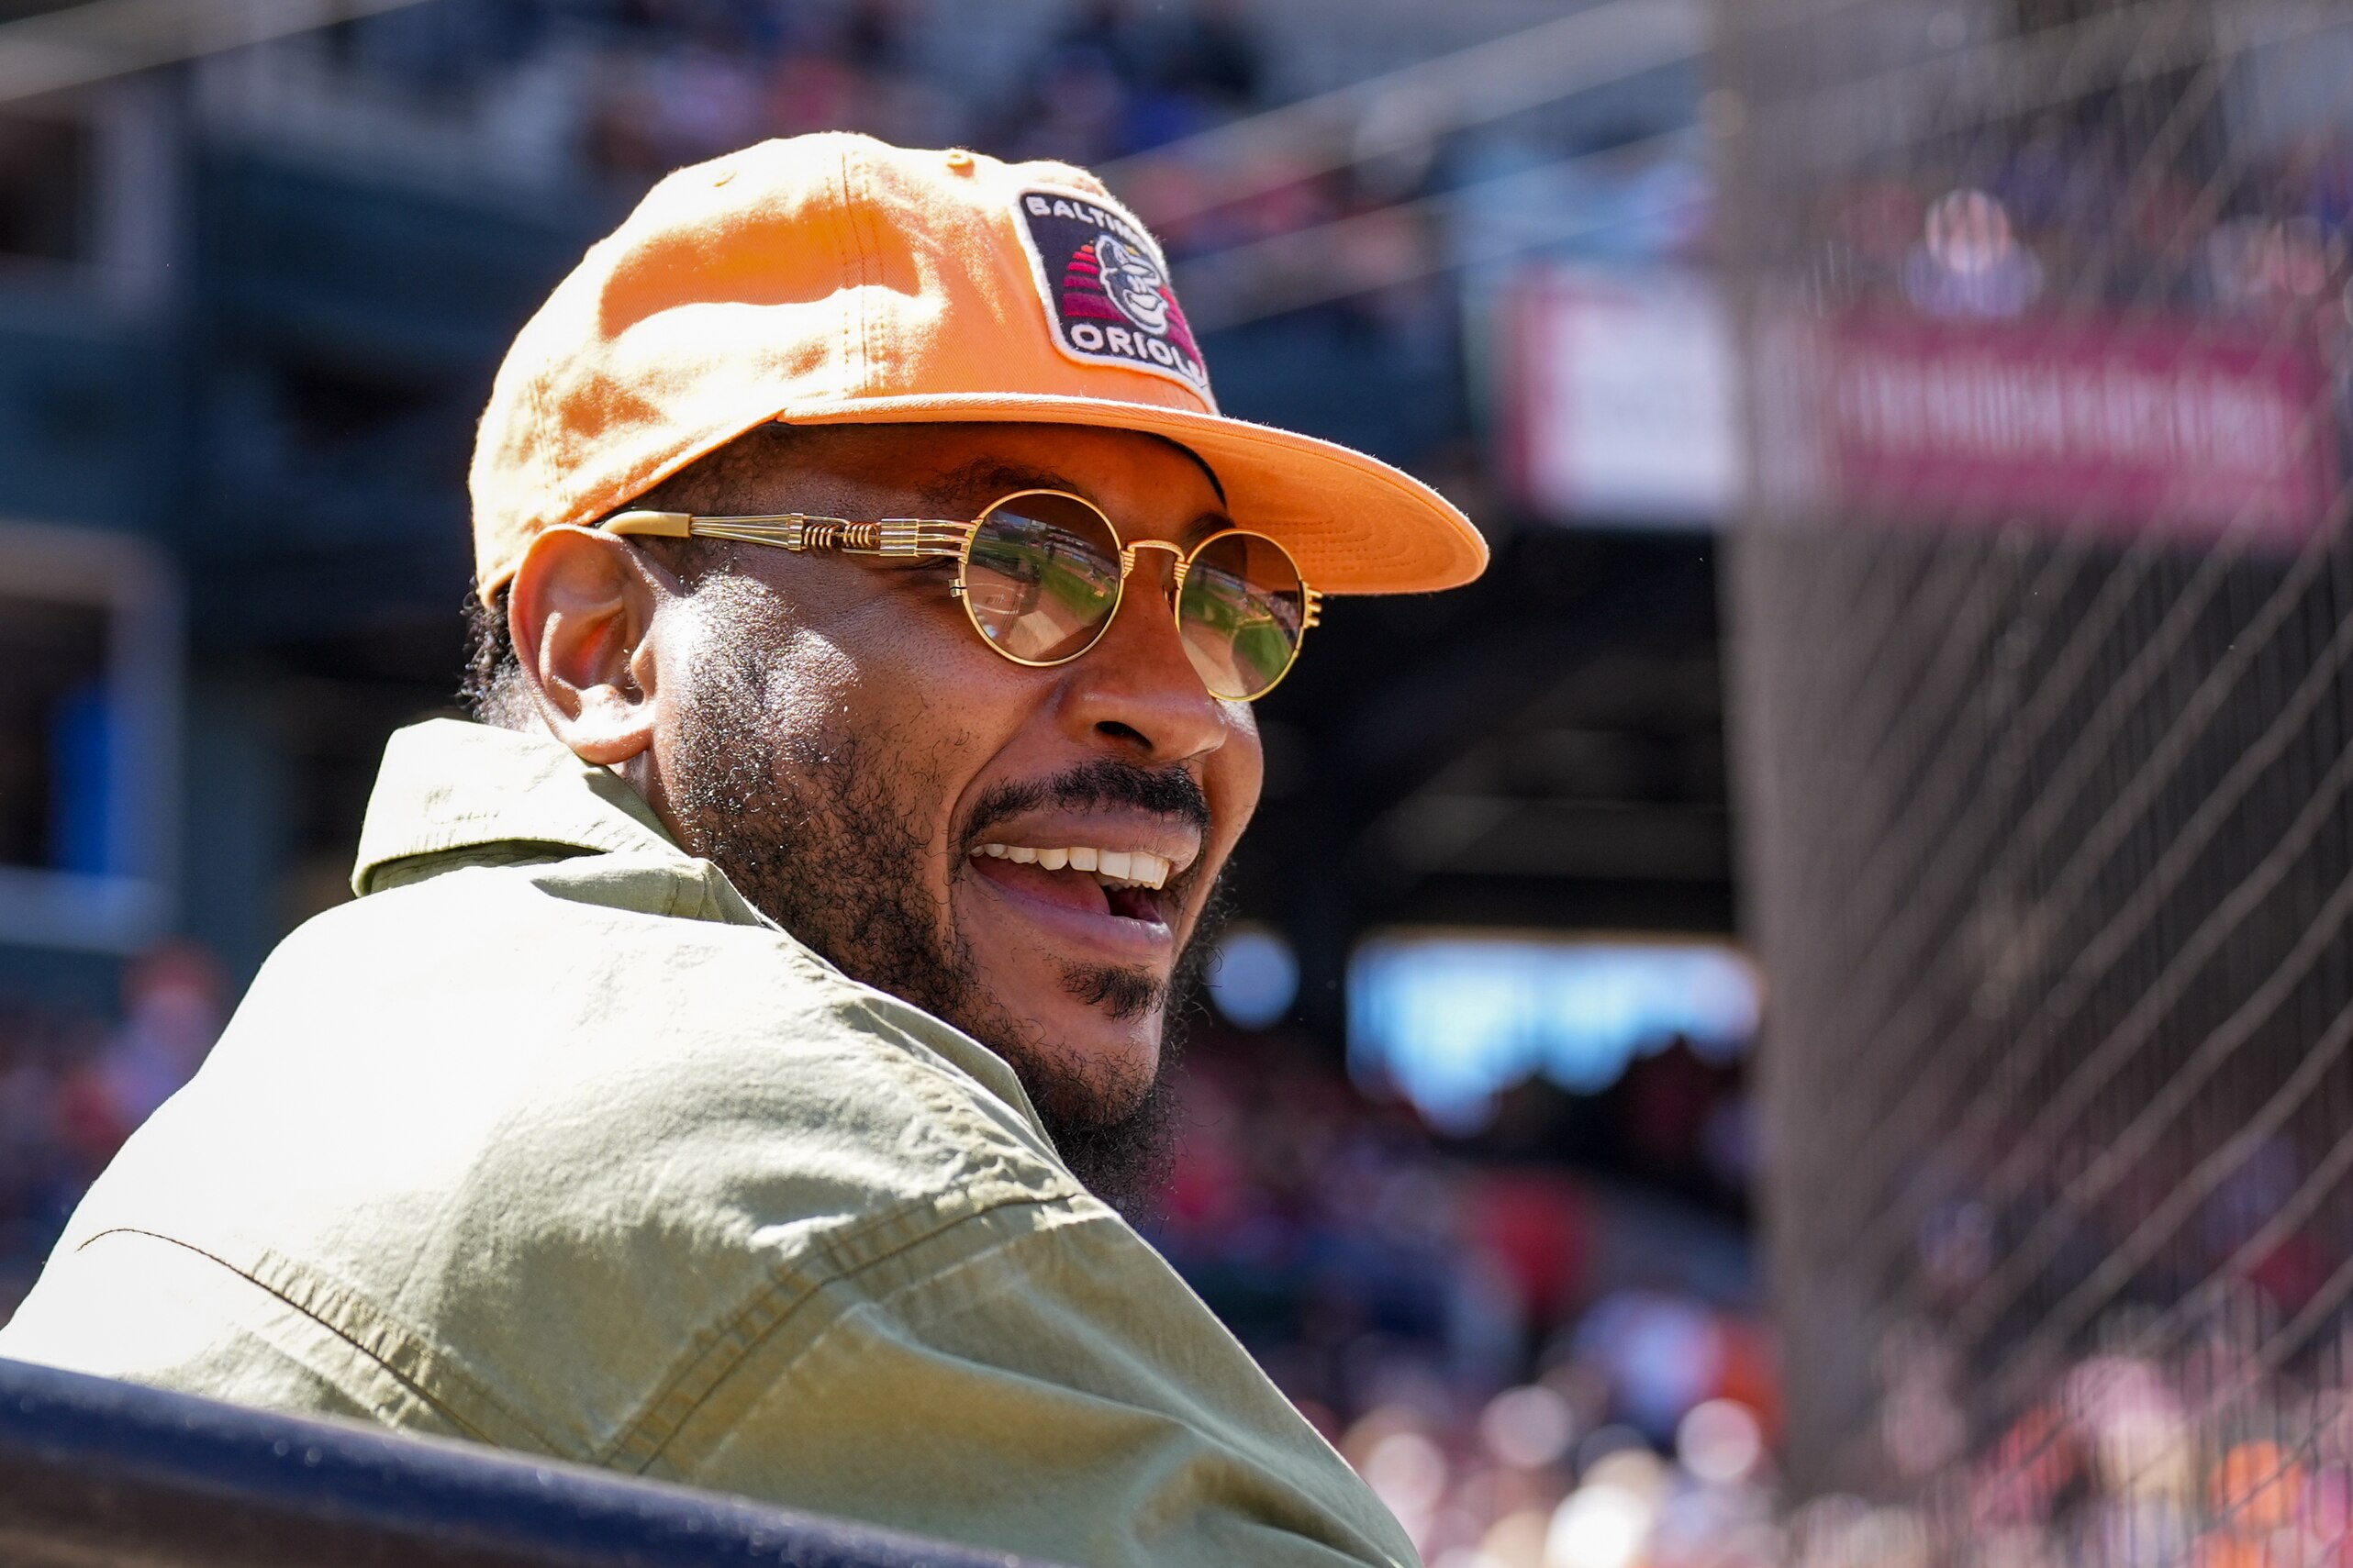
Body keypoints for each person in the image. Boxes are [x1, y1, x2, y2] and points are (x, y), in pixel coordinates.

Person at [0, 133, 1484, 1566]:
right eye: (1022, 564)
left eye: (1235, 603)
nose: (1181, 712)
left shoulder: (360, 1023)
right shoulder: (788, 1155)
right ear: (602, 648)